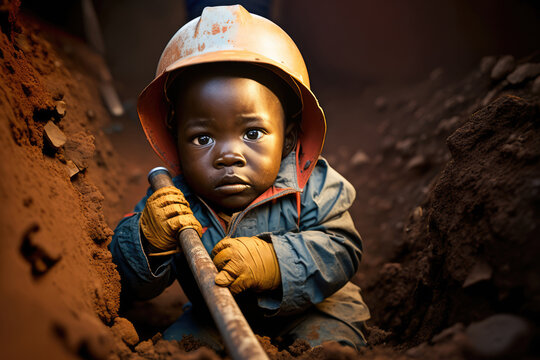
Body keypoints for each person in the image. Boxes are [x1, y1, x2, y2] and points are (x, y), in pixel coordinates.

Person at [109, 4, 370, 351]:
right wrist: (146, 243)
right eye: (203, 138)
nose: (228, 155)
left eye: (252, 133)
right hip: (217, 313)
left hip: (319, 307)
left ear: (288, 138)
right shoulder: (174, 199)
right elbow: (121, 280)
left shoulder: (314, 186)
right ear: (175, 140)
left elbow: (342, 247)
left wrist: (273, 262)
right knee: (175, 349)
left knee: (331, 346)